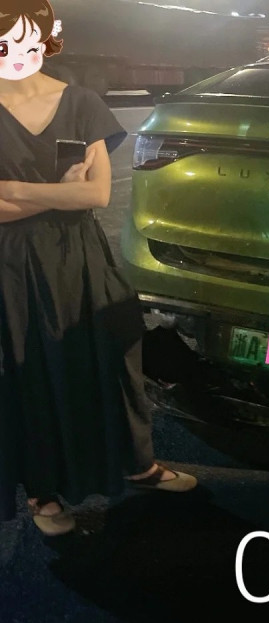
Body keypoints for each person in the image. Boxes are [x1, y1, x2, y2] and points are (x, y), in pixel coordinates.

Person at [0, 0, 196, 538]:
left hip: (79, 256)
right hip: (10, 267)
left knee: (110, 360)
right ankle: (42, 491)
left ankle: (137, 464)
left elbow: (97, 194)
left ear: (46, 39)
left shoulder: (81, 101)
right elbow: (71, 195)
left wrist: (14, 189)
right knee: (28, 372)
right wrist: (57, 193)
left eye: (25, 40)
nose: (14, 54)